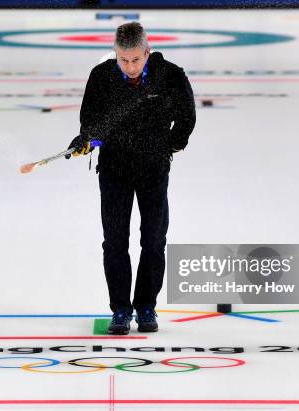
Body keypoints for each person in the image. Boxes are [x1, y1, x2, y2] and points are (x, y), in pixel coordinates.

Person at [67, 22, 196, 334]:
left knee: (153, 241)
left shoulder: (171, 75)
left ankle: (146, 307)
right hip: (114, 171)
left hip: (153, 171)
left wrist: (172, 144)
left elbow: (187, 115)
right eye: (123, 60)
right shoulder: (101, 77)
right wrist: (87, 139)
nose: (130, 66)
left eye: (136, 60)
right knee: (114, 242)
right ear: (115, 54)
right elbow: (91, 121)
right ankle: (121, 310)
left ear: (147, 52)